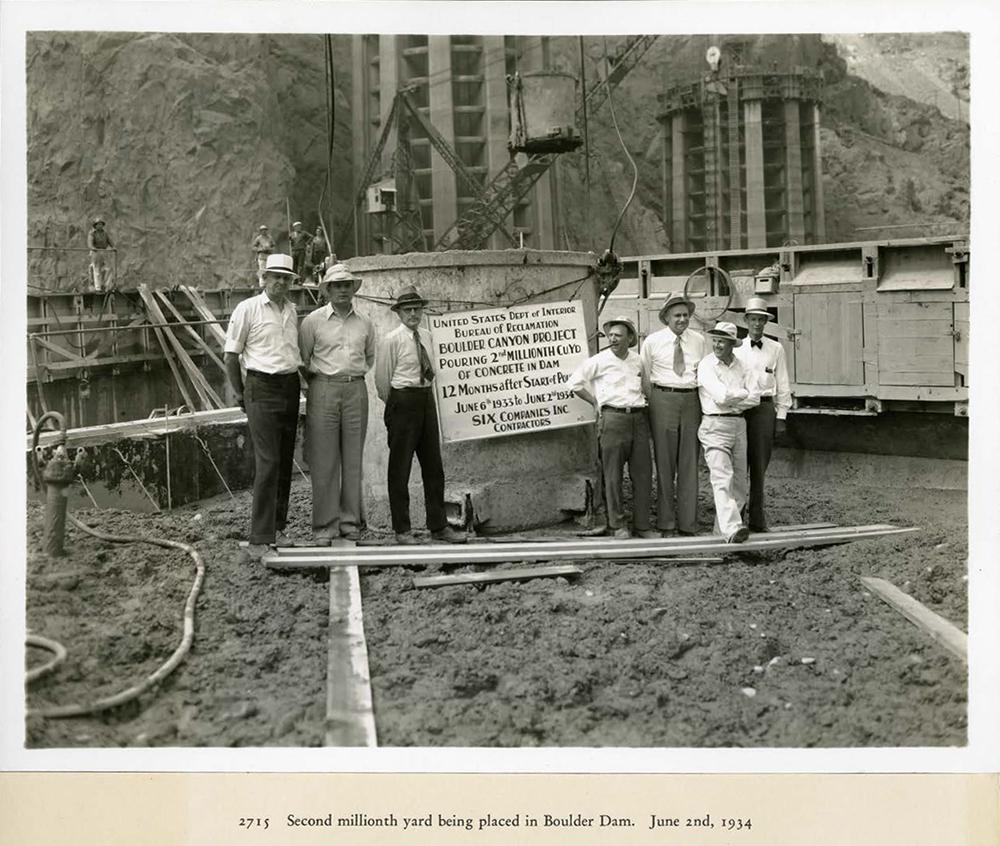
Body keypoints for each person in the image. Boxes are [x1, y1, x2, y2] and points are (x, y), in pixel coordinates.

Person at [374, 285, 467, 545]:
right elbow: (382, 381)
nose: (413, 314)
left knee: (434, 466)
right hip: (402, 400)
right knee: (400, 467)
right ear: (399, 313)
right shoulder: (391, 339)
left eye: (417, 309)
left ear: (422, 311)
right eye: (407, 310)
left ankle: (438, 526)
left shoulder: (427, 336)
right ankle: (402, 530)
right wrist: (396, 408)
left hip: (426, 399)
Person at [224, 253, 303, 555]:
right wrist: (242, 392)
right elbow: (231, 356)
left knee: (284, 461)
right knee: (268, 462)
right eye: (276, 277)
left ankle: (277, 529)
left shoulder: (292, 311)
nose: (281, 282)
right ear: (264, 279)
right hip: (261, 386)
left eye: (286, 278)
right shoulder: (248, 309)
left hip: (289, 386)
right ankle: (260, 536)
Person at [299, 263, 375, 545]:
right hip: (323, 389)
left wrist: (349, 377)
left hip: (355, 388)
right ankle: (324, 525)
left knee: (353, 458)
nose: (342, 290)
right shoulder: (312, 322)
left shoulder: (365, 323)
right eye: (337, 285)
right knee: (324, 459)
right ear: (328, 290)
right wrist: (319, 386)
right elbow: (302, 360)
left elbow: (369, 358)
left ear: (352, 290)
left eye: (347, 285)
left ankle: (349, 522)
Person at [567, 316, 656, 540]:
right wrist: (595, 401)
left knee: (643, 474)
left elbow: (646, 388)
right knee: (613, 475)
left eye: (618, 335)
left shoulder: (637, 361)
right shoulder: (599, 360)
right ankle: (618, 525)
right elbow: (574, 383)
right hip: (613, 419)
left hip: (638, 418)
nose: (613, 339)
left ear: (629, 338)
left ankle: (643, 525)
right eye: (611, 335)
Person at [639, 292, 708, 536]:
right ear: (666, 317)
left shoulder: (699, 340)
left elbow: (704, 372)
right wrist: (654, 403)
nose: (682, 319)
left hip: (691, 400)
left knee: (689, 463)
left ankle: (688, 524)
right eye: (677, 315)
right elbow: (644, 376)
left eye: (685, 315)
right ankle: (666, 523)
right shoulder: (652, 342)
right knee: (665, 463)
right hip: (662, 399)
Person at [696, 321, 761, 544]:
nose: (717, 344)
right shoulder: (706, 365)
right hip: (714, 425)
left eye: (722, 340)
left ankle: (721, 533)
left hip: (738, 425)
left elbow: (756, 398)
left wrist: (734, 400)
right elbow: (720, 396)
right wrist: (740, 395)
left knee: (740, 483)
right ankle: (733, 528)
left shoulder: (743, 366)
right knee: (722, 478)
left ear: (732, 344)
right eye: (715, 339)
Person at [734, 297, 792, 532]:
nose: (757, 324)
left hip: (764, 411)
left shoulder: (776, 348)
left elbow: (783, 383)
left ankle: (757, 519)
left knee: (759, 466)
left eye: (761, 320)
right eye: (753, 319)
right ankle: (735, 519)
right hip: (739, 410)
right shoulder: (735, 348)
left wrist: (781, 417)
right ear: (746, 320)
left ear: (766, 322)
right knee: (738, 466)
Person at [87, 217, 115, 291]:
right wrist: (92, 247)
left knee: (109, 268)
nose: (100, 226)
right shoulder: (92, 233)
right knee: (96, 269)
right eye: (98, 224)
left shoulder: (105, 233)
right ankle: (98, 287)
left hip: (104, 251)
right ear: (95, 225)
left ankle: (107, 285)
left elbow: (110, 241)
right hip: (96, 251)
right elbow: (90, 242)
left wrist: (113, 247)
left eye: (101, 224)